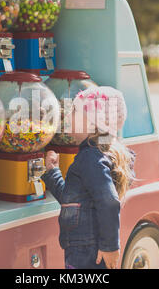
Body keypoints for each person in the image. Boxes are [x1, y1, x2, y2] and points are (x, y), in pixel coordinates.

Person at [41, 86, 135, 269]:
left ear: (94, 122)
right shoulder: (93, 156)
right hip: (83, 248)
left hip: (88, 253)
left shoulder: (90, 158)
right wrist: (53, 173)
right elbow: (74, 201)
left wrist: (110, 247)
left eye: (75, 110)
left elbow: (108, 201)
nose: (68, 115)